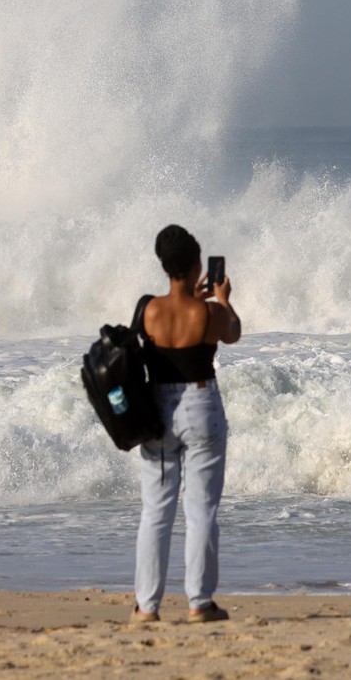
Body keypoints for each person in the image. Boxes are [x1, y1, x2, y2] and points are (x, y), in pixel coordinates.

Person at [133, 224, 241, 624]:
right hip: (200, 406)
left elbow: (160, 334)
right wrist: (225, 301)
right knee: (201, 510)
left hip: (157, 412)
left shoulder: (149, 311)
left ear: (165, 267)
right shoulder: (209, 311)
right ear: (198, 265)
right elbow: (233, 334)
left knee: (156, 511)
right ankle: (199, 602)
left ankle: (146, 607)